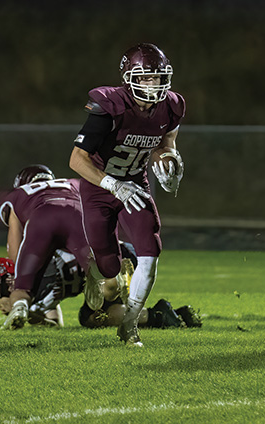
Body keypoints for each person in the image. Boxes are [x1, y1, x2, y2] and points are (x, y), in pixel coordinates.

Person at [69, 43, 186, 348]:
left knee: (150, 248)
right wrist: (111, 184)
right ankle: (98, 272)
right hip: (98, 187)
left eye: (158, 77)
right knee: (109, 265)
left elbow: (165, 143)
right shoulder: (109, 107)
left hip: (136, 182)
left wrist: (169, 159)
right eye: (146, 78)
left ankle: (130, 325)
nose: (154, 84)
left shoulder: (171, 105)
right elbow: (76, 160)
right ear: (128, 77)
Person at [0, 164, 111, 330]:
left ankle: (19, 307)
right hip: (77, 219)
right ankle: (107, 282)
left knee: (24, 286)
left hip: (41, 222)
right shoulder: (73, 183)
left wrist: (21, 276)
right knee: (104, 278)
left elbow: (15, 247)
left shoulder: (17, 195)